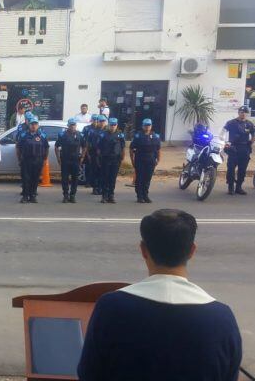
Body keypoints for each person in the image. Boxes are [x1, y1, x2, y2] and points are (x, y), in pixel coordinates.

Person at [78, 209, 242, 381]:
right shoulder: (222, 317)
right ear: (192, 251)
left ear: (143, 250)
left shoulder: (110, 307)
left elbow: (88, 373)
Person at [220, 106, 255, 195]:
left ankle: (238, 187)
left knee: (242, 170)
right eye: (241, 112)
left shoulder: (249, 124)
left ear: (247, 114)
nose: (243, 114)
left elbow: (253, 136)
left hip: (244, 149)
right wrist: (225, 142)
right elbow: (223, 132)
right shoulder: (231, 123)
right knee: (231, 169)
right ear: (238, 113)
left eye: (245, 112)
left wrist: (250, 144)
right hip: (233, 148)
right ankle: (230, 187)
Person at [17, 117, 49, 203]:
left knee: (35, 179)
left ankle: (32, 196)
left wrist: (45, 159)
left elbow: (46, 147)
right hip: (26, 160)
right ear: (29, 125)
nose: (33, 126)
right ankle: (25, 196)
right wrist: (19, 159)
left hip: (38, 160)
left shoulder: (42, 136)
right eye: (32, 124)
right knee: (26, 179)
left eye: (35, 124)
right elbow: (18, 147)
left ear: (38, 125)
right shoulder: (24, 135)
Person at [131, 119, 162, 204]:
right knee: (140, 178)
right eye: (145, 125)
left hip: (151, 160)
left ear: (151, 126)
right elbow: (131, 148)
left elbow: (158, 149)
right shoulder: (138, 136)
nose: (147, 127)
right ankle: (139, 196)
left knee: (147, 179)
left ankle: (145, 195)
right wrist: (132, 160)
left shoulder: (156, 136)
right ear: (142, 126)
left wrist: (158, 159)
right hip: (140, 159)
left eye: (149, 125)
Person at [55, 118, 86, 203]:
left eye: (74, 125)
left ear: (76, 125)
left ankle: (72, 195)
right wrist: (58, 158)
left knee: (75, 179)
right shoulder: (62, 135)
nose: (73, 126)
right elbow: (56, 147)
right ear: (68, 125)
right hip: (65, 160)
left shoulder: (80, 135)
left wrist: (82, 156)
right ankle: (65, 195)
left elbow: (84, 146)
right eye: (71, 125)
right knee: (64, 179)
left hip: (76, 160)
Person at [97, 118, 125, 204]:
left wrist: (122, 158)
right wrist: (98, 159)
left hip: (116, 159)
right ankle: (104, 196)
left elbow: (122, 147)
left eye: (114, 125)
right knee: (105, 178)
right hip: (105, 159)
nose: (113, 126)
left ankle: (111, 196)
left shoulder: (120, 135)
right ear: (108, 125)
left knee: (112, 179)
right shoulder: (103, 134)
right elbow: (98, 148)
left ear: (116, 125)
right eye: (111, 125)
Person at [82, 114, 102, 192]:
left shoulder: (101, 129)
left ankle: (96, 185)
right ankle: (88, 182)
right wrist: (86, 152)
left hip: (97, 152)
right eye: (94, 120)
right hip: (89, 150)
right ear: (92, 120)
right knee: (88, 167)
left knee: (96, 169)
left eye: (97, 120)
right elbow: (84, 140)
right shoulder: (87, 128)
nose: (96, 121)